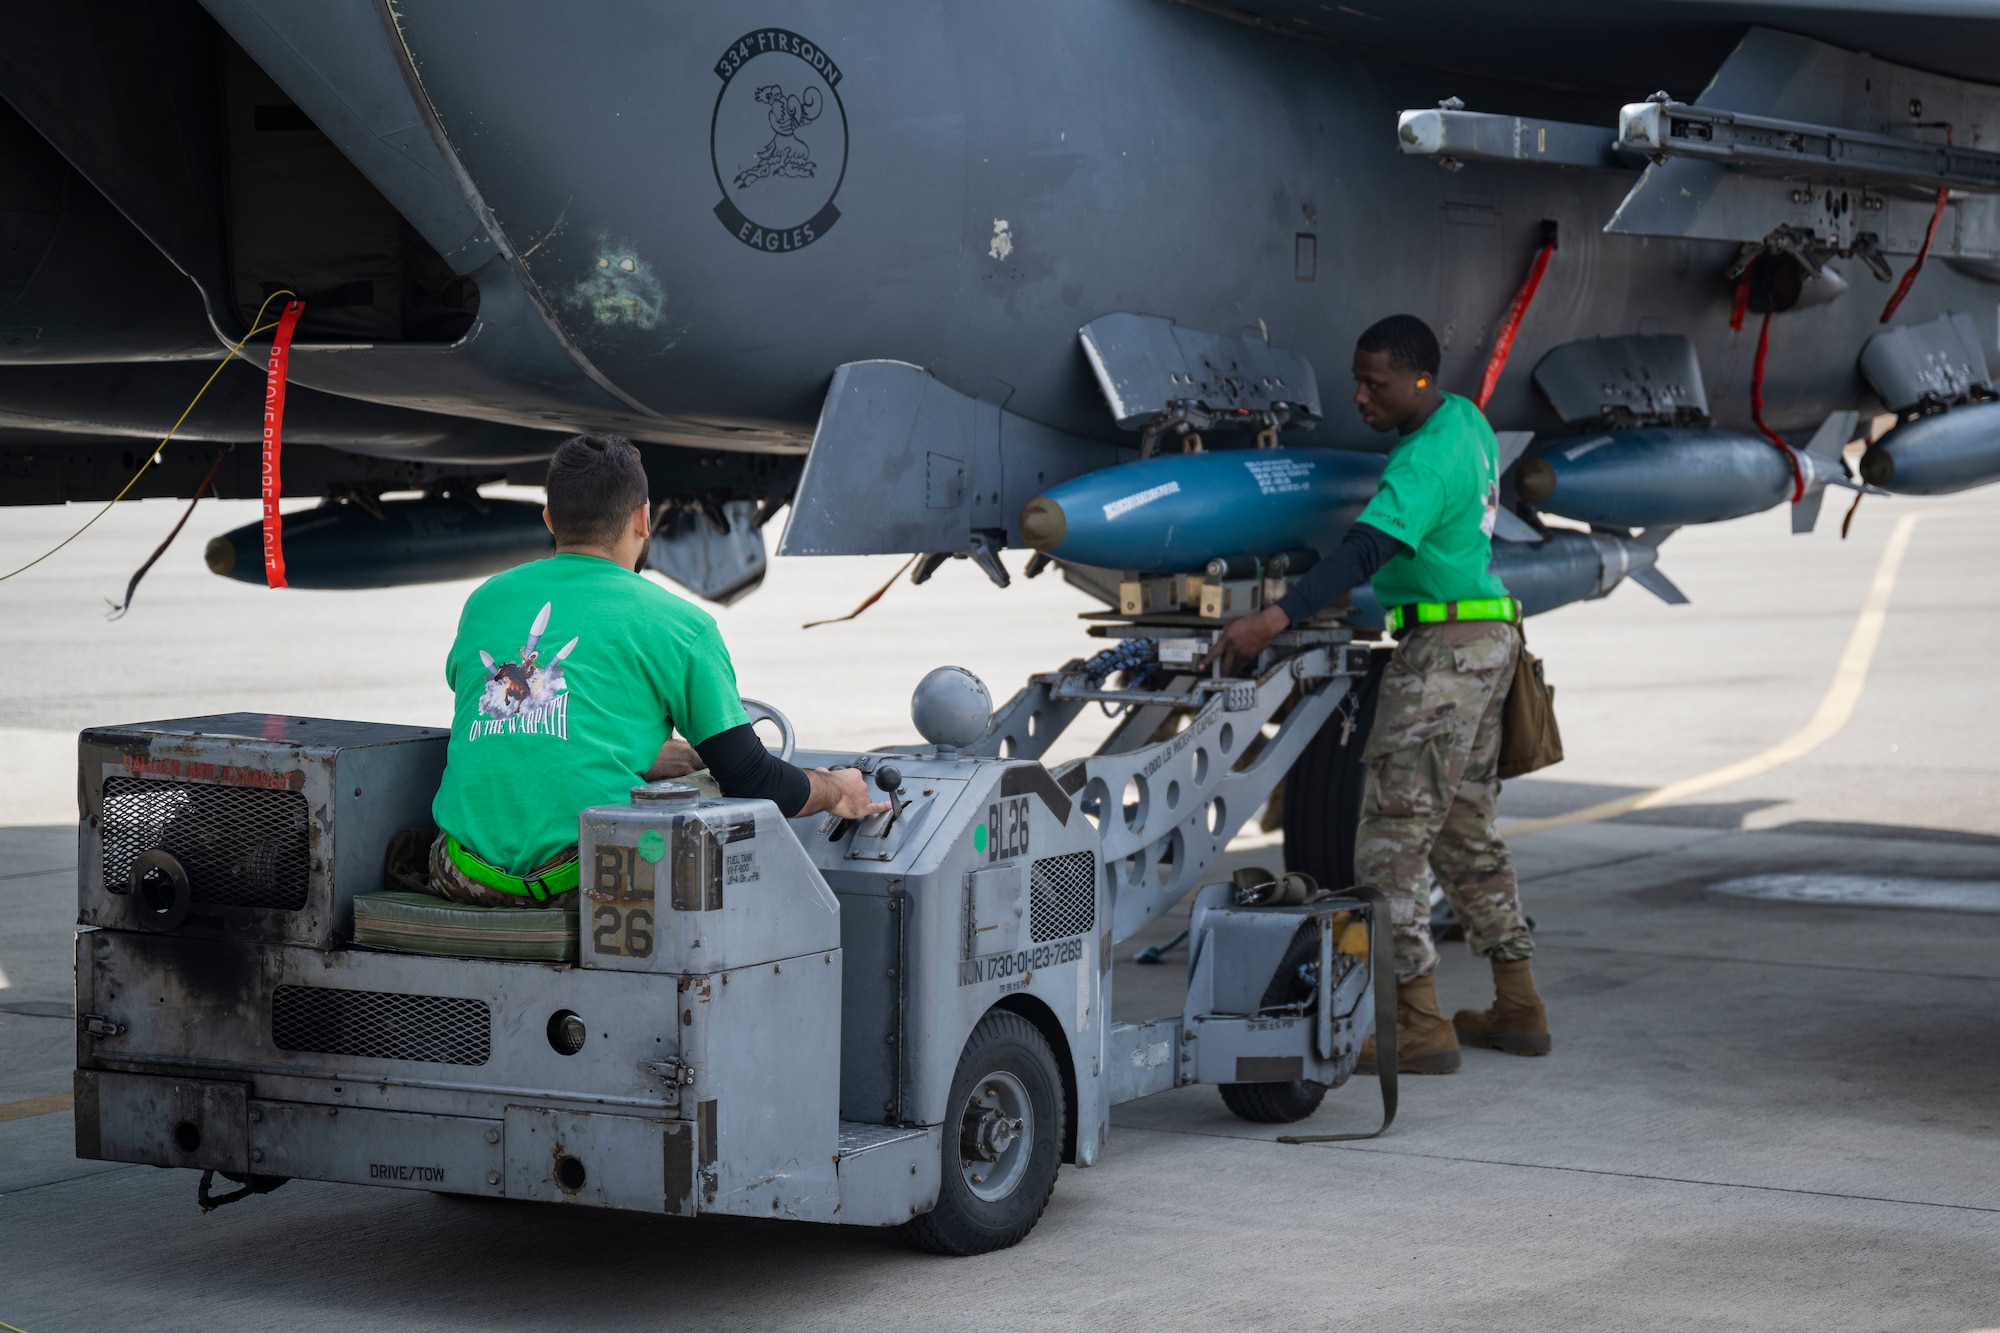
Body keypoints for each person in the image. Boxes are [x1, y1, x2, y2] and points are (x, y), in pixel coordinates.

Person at [1204, 314, 1549, 1074]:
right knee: (1464, 832)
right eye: (1356, 379)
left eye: (1374, 383)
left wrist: (1273, 615)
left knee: (1388, 843)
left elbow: (1367, 547)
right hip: (1488, 641)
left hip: (1444, 657)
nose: (1358, 395)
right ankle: (1518, 1003)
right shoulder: (1465, 419)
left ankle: (1418, 1022)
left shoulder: (1422, 463)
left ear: (1418, 380)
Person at [426, 433, 887, 907]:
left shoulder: (485, 602)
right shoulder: (680, 624)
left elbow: (516, 724)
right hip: (582, 880)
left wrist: (639, 755)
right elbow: (753, 781)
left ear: (549, 520)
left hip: (461, 873)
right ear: (644, 519)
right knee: (704, 795)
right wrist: (837, 789)